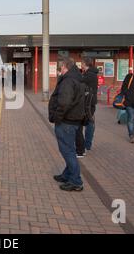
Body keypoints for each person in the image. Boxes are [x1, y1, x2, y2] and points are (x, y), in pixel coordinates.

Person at [49, 57, 85, 192]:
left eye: (61, 68)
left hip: (66, 122)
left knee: (68, 151)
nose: (60, 71)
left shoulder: (68, 81)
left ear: (65, 67)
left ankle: (76, 181)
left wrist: (57, 118)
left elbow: (64, 103)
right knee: (69, 149)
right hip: (73, 120)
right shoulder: (77, 78)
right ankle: (67, 175)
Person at [76, 58, 99, 158]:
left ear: (85, 64)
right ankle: (85, 144)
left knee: (89, 121)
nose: (81, 66)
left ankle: (86, 144)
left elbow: (80, 82)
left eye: (81, 64)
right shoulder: (88, 73)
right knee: (89, 121)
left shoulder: (90, 75)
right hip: (89, 101)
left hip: (89, 102)